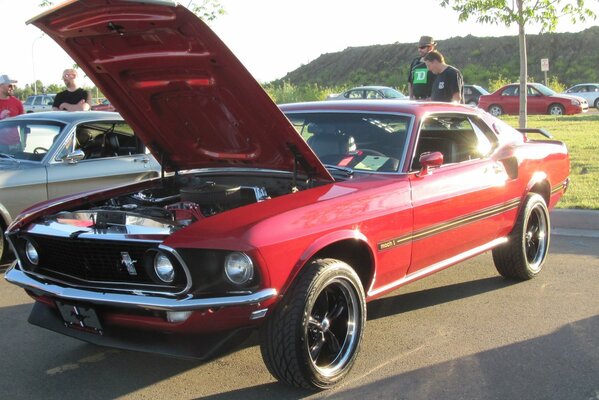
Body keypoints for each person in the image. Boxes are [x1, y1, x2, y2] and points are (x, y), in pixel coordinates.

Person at [407, 36, 438, 100]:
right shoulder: (415, 62)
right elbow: (410, 81)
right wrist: (411, 97)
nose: (419, 50)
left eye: (422, 47)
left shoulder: (436, 62)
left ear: (431, 47)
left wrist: (433, 98)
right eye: (418, 47)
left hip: (430, 101)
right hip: (416, 101)